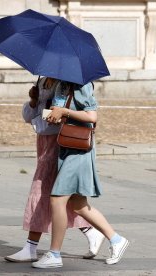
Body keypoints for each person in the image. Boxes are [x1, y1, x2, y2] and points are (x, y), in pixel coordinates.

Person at [5, 77, 105, 263]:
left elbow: (73, 115)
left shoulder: (65, 83)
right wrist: (34, 101)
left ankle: (31, 247)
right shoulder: (42, 82)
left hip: (60, 141)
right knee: (60, 195)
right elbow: (30, 117)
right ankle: (91, 232)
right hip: (43, 141)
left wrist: (58, 111)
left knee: (42, 191)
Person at [32, 81, 129, 269]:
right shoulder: (62, 85)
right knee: (78, 205)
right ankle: (117, 240)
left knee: (57, 200)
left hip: (79, 151)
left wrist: (65, 112)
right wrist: (54, 113)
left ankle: (54, 253)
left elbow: (91, 116)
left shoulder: (81, 85)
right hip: (67, 146)